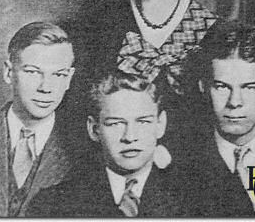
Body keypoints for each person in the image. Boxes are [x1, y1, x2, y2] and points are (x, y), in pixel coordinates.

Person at [26, 71, 185, 217]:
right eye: (115, 123)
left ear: (160, 125)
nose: (129, 137)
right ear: (94, 129)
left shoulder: (195, 199)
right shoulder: (53, 205)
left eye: (143, 122)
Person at [182, 20, 255, 217]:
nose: (234, 102)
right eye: (222, 87)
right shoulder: (179, 163)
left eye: (249, 87)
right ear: (204, 88)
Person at [0, 22, 76, 217]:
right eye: (32, 72)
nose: (46, 87)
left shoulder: (83, 150)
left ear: (69, 79)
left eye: (58, 74)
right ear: (8, 72)